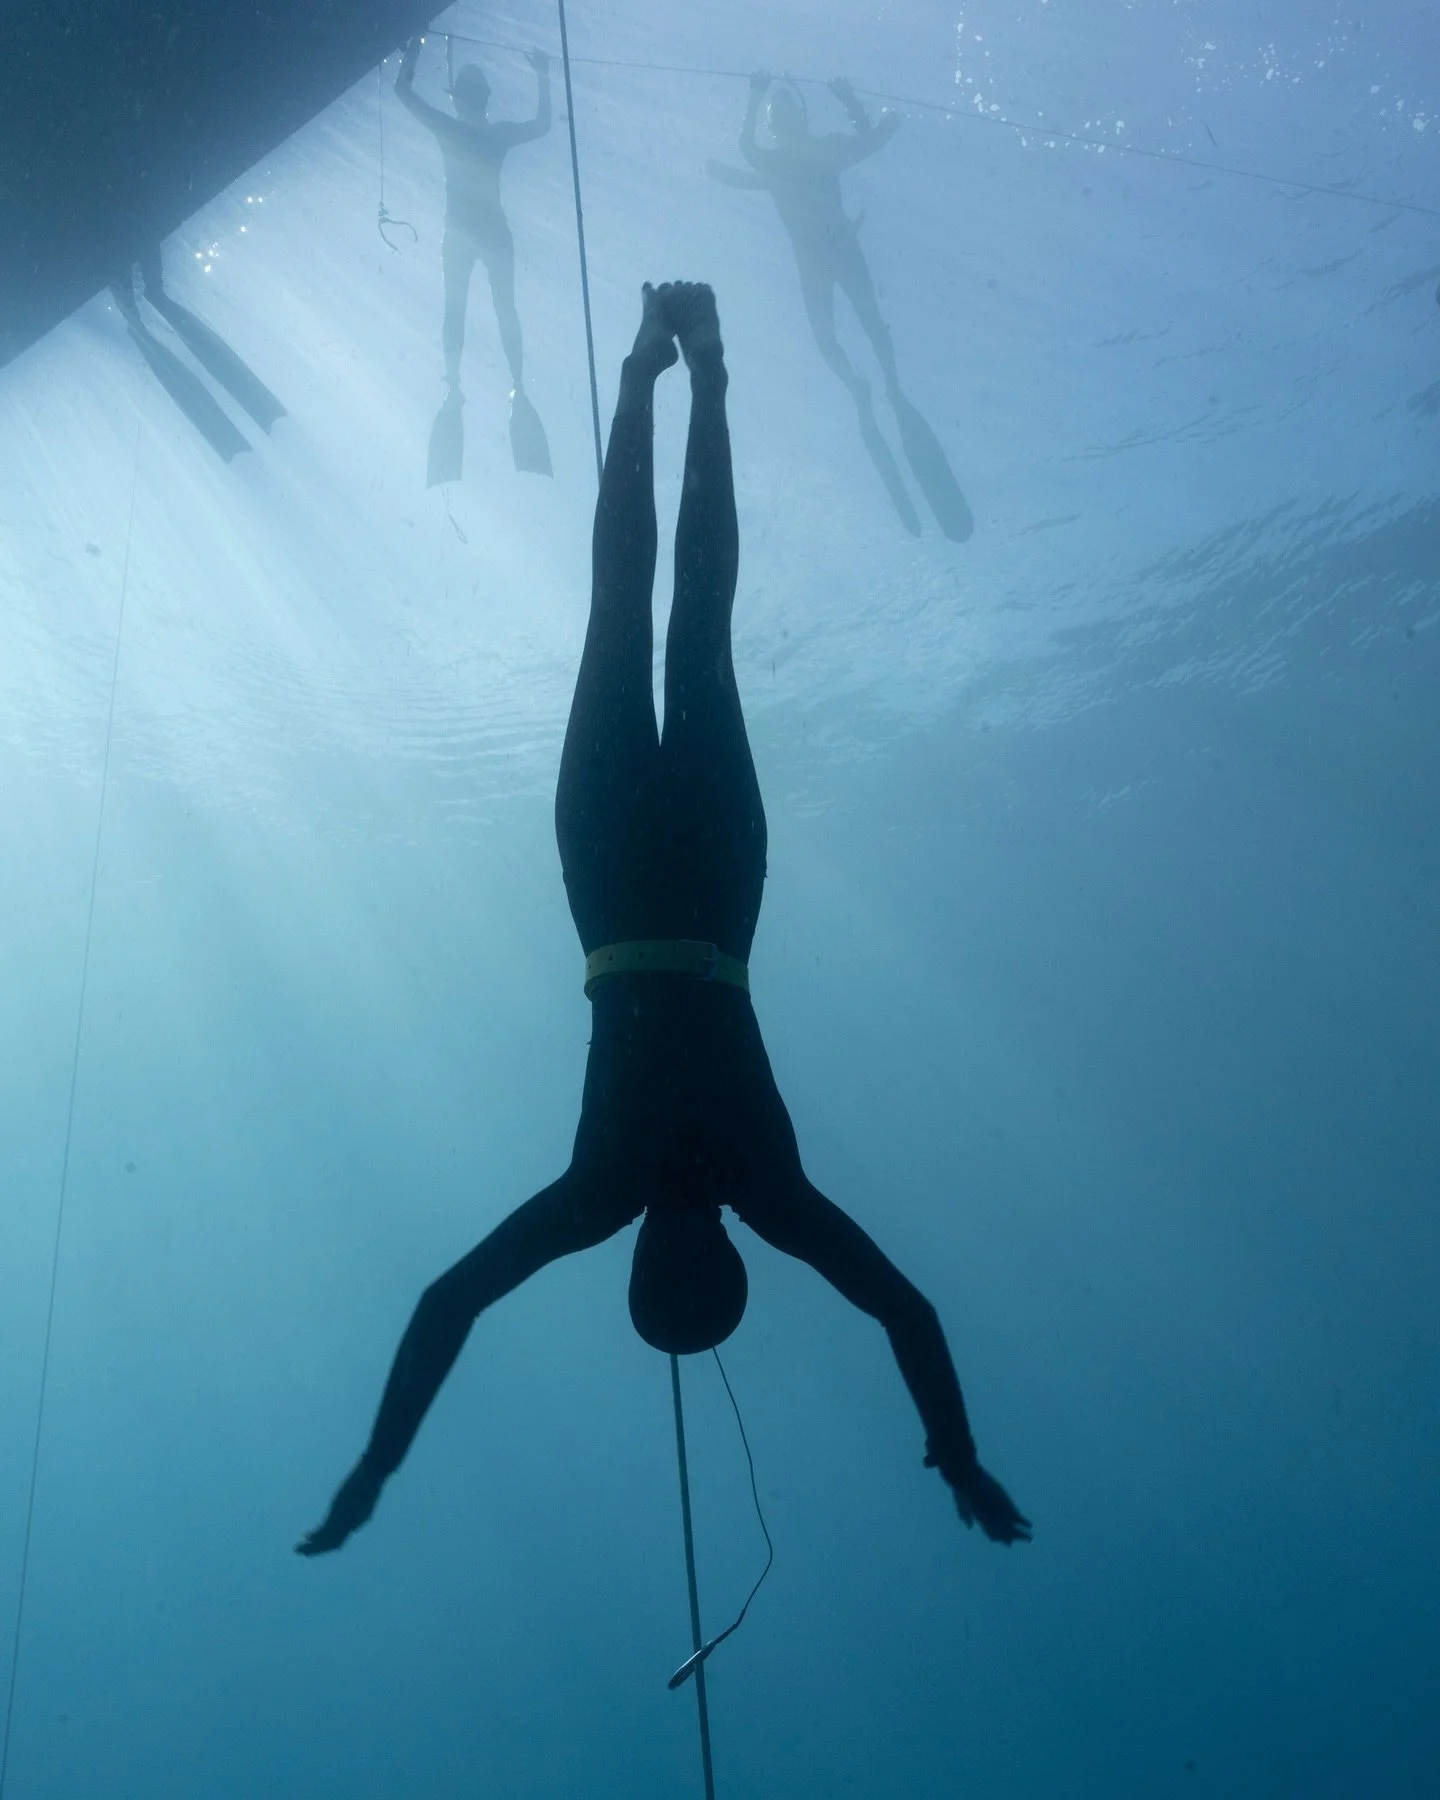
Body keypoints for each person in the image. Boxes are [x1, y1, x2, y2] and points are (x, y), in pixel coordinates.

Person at [297, 282, 1029, 1558]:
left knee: (696, 621)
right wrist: (372, 1465)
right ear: (652, 1272)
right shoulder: (608, 1195)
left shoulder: (762, 1196)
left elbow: (905, 1313)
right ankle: (653, 373)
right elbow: (447, 1303)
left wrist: (958, 1451)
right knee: (628, 609)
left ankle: (697, 372)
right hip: (615, 890)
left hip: (712, 890)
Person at [709, 77, 972, 541]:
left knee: (838, 337)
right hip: (840, 255)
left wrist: (756, 97)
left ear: (784, 124)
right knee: (862, 331)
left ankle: (870, 389)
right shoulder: (813, 152)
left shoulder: (782, 159)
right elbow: (872, 140)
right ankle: (882, 389)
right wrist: (851, 101)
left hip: (822, 261)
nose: (783, 125)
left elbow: (748, 147)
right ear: (795, 121)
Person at [396, 34, 552, 477]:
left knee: (456, 308)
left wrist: (415, 45)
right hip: (492, 232)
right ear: (482, 98)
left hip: (461, 234)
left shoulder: (451, 128)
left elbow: (403, 92)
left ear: (461, 99)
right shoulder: (495, 133)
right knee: (504, 310)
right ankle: (515, 384)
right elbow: (542, 124)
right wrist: (542, 74)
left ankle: (455, 385)